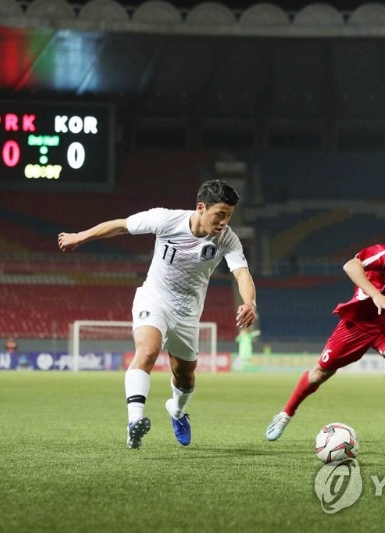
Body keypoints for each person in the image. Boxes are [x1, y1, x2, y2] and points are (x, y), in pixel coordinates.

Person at [58, 179, 257, 449]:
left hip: (188, 312)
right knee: (148, 350)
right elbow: (122, 225)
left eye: (229, 216)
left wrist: (250, 302)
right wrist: (80, 237)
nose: (224, 222)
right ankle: (135, 421)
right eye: (220, 214)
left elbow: (242, 273)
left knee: (185, 378)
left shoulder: (227, 239)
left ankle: (176, 410)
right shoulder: (165, 220)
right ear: (201, 208)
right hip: (155, 298)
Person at [266, 218, 385, 443]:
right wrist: (376, 294)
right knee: (320, 374)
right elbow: (350, 265)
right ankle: (285, 414)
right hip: (358, 323)